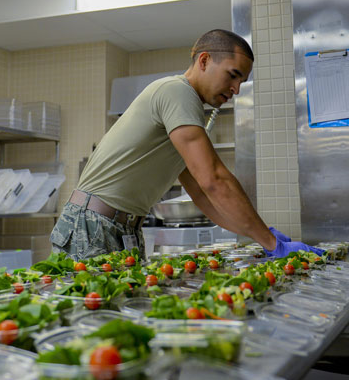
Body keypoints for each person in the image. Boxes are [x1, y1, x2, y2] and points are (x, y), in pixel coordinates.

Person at [51, 29, 323, 261]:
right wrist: (272, 244)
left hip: (122, 228)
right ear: (204, 60)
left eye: (242, 81)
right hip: (92, 224)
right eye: (232, 75)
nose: (236, 89)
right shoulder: (177, 92)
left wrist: (260, 234)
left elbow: (203, 196)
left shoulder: (186, 113)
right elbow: (213, 179)